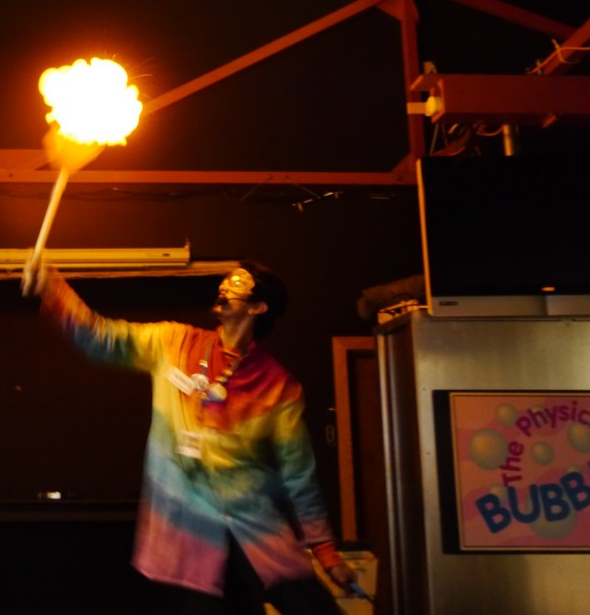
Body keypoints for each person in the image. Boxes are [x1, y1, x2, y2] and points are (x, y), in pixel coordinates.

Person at [22, 259, 356, 614]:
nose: (224, 286)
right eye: (226, 281)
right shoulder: (174, 342)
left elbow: (299, 476)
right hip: (193, 536)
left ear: (258, 307)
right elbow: (101, 337)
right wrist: (53, 287)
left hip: (257, 529)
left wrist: (326, 552)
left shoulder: (279, 387)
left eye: (237, 283)